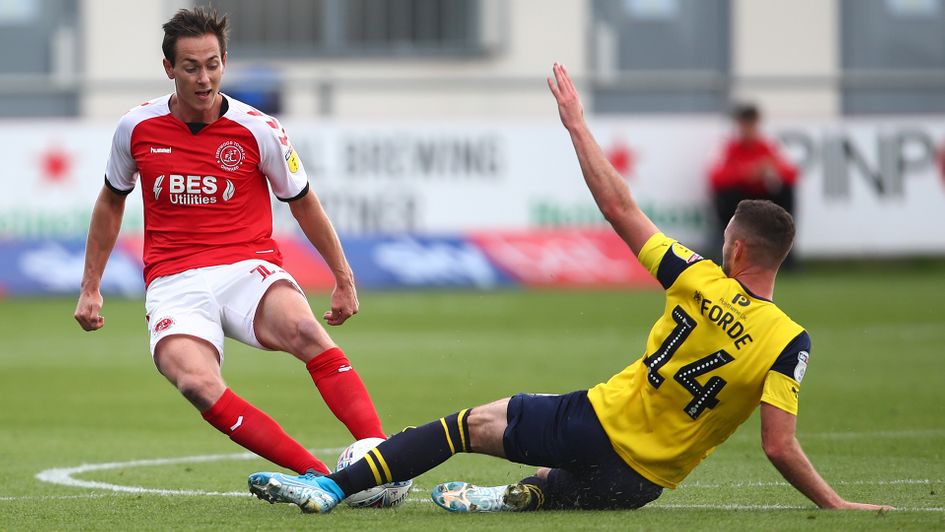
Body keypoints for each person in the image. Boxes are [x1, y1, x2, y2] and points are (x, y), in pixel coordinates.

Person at [246, 64, 893, 514]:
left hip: (594, 427)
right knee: (561, 483)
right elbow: (778, 445)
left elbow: (618, 209)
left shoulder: (697, 277)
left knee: (459, 428)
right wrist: (833, 503)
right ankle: (529, 494)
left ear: (738, 248)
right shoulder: (790, 342)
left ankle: (331, 488)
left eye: (725, 237)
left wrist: (576, 126)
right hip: (641, 484)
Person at [74, 7, 386, 477]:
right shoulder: (135, 127)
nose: (205, 78)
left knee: (305, 331)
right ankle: (318, 479)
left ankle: (382, 457)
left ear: (225, 61)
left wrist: (342, 278)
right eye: (191, 67)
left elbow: (303, 202)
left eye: (213, 64)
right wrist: (90, 286)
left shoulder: (258, 128)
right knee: (196, 382)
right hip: (173, 280)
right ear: (168, 69)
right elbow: (111, 203)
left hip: (246, 266)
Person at [708, 102, 799, 267]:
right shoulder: (732, 148)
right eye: (745, 123)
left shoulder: (765, 147)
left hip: (763, 198)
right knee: (725, 195)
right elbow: (716, 178)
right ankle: (728, 253)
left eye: (751, 123)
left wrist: (770, 170)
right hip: (739, 200)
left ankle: (786, 254)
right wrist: (746, 173)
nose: (748, 128)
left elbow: (791, 173)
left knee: (786, 191)